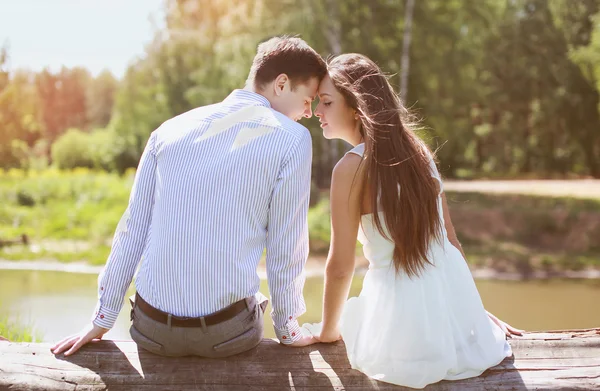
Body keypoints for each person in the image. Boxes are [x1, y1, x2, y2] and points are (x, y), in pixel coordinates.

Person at [51, 36, 327, 357]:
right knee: (254, 302)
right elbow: (286, 245)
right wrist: (287, 328)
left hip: (152, 332)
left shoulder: (168, 130)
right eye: (308, 100)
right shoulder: (292, 139)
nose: (309, 112)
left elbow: (132, 228)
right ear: (281, 84)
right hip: (227, 335)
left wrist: (102, 317)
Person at [303, 53, 523, 389]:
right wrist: (467, 312)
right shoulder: (420, 153)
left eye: (327, 102)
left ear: (357, 107)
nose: (317, 111)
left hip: (400, 329)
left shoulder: (350, 168)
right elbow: (450, 242)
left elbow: (341, 266)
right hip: (447, 319)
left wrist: (326, 332)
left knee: (354, 324)